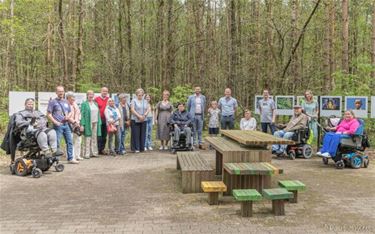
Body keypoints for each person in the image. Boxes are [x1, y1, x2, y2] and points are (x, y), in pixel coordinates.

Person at [47, 86, 78, 164]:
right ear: (56, 92)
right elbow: (49, 114)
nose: (61, 93)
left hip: (66, 124)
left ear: (64, 92)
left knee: (70, 142)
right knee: (57, 142)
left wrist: (68, 116)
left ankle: (70, 158)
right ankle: (56, 160)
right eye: (59, 91)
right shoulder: (53, 102)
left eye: (62, 91)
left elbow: (70, 111)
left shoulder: (66, 101)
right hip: (58, 125)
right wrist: (55, 122)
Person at [80, 90, 101, 159]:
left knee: (94, 138)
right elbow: (82, 115)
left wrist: (99, 122)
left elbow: (98, 114)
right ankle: (86, 154)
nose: (91, 95)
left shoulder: (95, 103)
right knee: (87, 138)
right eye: (89, 94)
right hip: (88, 123)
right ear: (87, 95)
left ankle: (94, 153)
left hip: (95, 122)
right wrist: (82, 124)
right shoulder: (84, 104)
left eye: (92, 94)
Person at [130, 88, 150, 153]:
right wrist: (139, 116)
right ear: (136, 94)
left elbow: (148, 109)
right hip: (135, 119)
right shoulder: (133, 100)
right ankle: (136, 148)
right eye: (139, 95)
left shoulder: (145, 101)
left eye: (141, 95)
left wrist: (144, 115)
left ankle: (142, 148)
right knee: (136, 134)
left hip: (144, 119)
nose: (140, 96)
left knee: (143, 134)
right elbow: (132, 109)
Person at [66, 92, 83, 161]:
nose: (73, 99)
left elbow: (79, 114)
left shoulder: (75, 104)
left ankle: (77, 155)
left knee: (78, 140)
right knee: (71, 141)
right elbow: (66, 116)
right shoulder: (66, 105)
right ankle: (71, 156)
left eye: (73, 98)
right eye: (71, 98)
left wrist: (78, 122)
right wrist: (74, 121)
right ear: (68, 98)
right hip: (69, 124)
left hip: (77, 124)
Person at [95, 87, 109, 155]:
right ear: (101, 91)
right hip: (99, 120)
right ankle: (98, 149)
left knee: (104, 135)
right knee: (99, 135)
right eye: (104, 91)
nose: (105, 93)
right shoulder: (97, 99)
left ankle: (102, 149)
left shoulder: (108, 99)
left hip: (106, 120)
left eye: (106, 91)